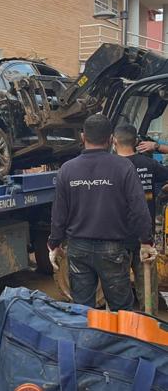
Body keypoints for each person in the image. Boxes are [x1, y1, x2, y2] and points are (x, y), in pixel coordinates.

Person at [47, 114, 152, 311]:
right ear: (111, 139)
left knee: (82, 311)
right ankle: (120, 341)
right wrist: (146, 241)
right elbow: (139, 208)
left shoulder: (67, 170)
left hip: (78, 248)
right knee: (121, 311)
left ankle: (87, 341)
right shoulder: (123, 167)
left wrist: (54, 244)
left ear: (82, 137)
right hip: (112, 249)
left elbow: (59, 214)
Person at [113, 124, 163, 314]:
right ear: (136, 142)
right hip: (145, 236)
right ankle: (150, 327)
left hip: (117, 237)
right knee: (148, 286)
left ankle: (122, 326)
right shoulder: (149, 164)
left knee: (118, 287)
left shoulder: (109, 166)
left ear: (114, 140)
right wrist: (157, 147)